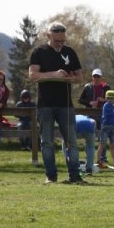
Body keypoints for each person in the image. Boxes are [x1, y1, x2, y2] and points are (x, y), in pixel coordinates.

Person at [29, 21, 83, 184]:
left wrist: (68, 78)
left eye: (62, 41)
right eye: (56, 41)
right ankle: (51, 176)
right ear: (48, 36)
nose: (60, 44)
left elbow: (80, 78)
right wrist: (54, 74)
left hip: (66, 105)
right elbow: (32, 75)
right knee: (47, 142)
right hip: (45, 105)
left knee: (72, 142)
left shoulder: (70, 52)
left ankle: (74, 176)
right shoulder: (39, 52)